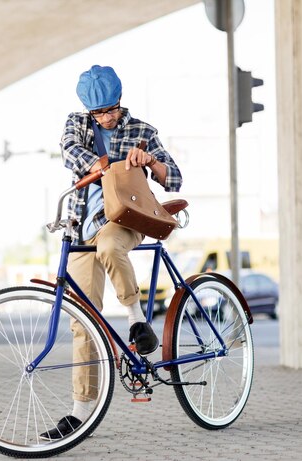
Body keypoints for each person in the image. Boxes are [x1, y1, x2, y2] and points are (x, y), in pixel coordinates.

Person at [40, 65, 183, 440]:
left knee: (109, 244)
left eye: (110, 110)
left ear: (120, 102)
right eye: (98, 112)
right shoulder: (77, 124)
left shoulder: (142, 131)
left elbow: (175, 177)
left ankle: (137, 320)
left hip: (124, 218)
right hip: (79, 227)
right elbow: (70, 152)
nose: (105, 117)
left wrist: (149, 161)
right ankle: (79, 413)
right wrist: (106, 163)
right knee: (82, 321)